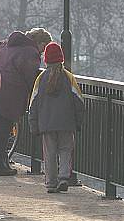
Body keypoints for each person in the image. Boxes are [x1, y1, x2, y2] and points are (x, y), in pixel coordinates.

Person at [0, 27, 52, 176]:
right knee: (4, 132)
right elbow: (30, 78)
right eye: (44, 47)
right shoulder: (30, 52)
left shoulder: (7, 44)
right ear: (40, 43)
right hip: (11, 95)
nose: (43, 53)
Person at [28, 42, 85, 193]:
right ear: (61, 59)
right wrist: (78, 122)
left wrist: (33, 124)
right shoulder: (69, 77)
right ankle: (64, 177)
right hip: (67, 122)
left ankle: (51, 182)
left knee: (50, 153)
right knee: (66, 150)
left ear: (45, 60)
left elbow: (33, 103)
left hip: (46, 124)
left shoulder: (41, 79)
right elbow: (79, 101)